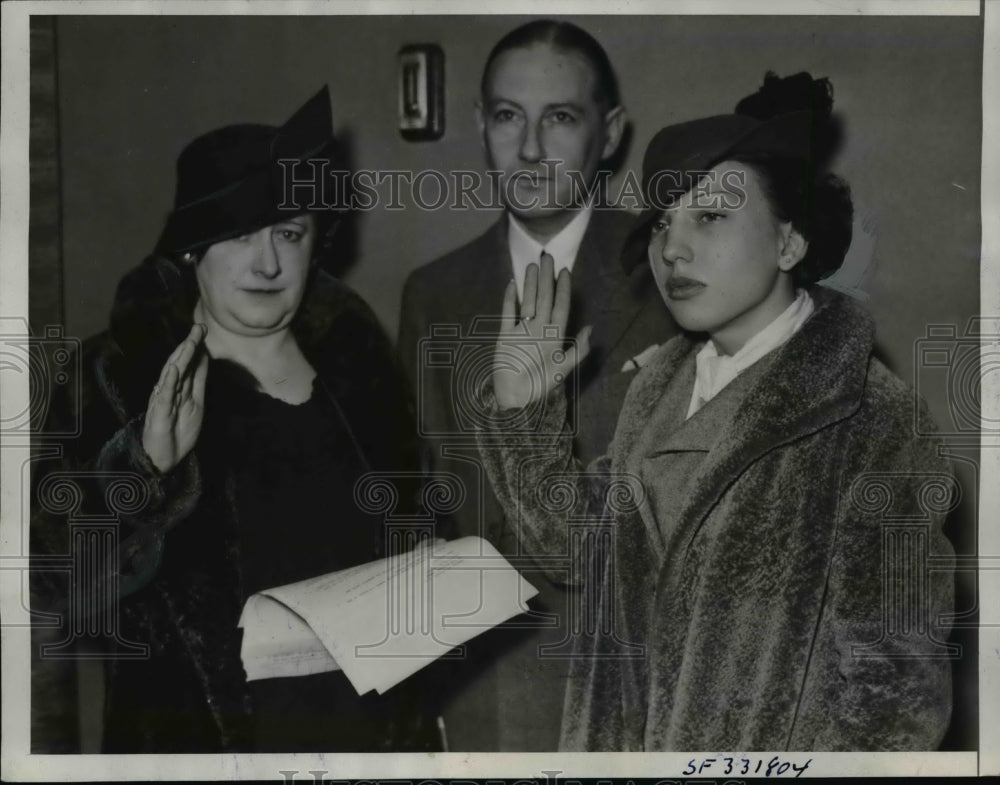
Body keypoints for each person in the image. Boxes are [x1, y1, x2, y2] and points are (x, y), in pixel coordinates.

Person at [478, 72, 956, 750]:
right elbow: (578, 550)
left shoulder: (872, 418)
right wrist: (523, 413)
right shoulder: (659, 388)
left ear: (789, 243)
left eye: (710, 215)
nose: (673, 248)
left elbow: (895, 701)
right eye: (664, 222)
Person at [30, 86, 438, 753]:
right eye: (239, 233)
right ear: (192, 249)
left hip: (363, 735)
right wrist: (144, 470)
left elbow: (408, 526)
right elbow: (48, 581)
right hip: (196, 747)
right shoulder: (116, 376)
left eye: (289, 232)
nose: (269, 262)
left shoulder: (357, 362)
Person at [397, 18, 676, 752]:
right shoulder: (432, 292)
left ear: (609, 133)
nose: (528, 149)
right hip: (488, 679)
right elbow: (422, 490)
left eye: (559, 118)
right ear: (479, 126)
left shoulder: (673, 276)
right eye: (506, 116)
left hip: (638, 674)